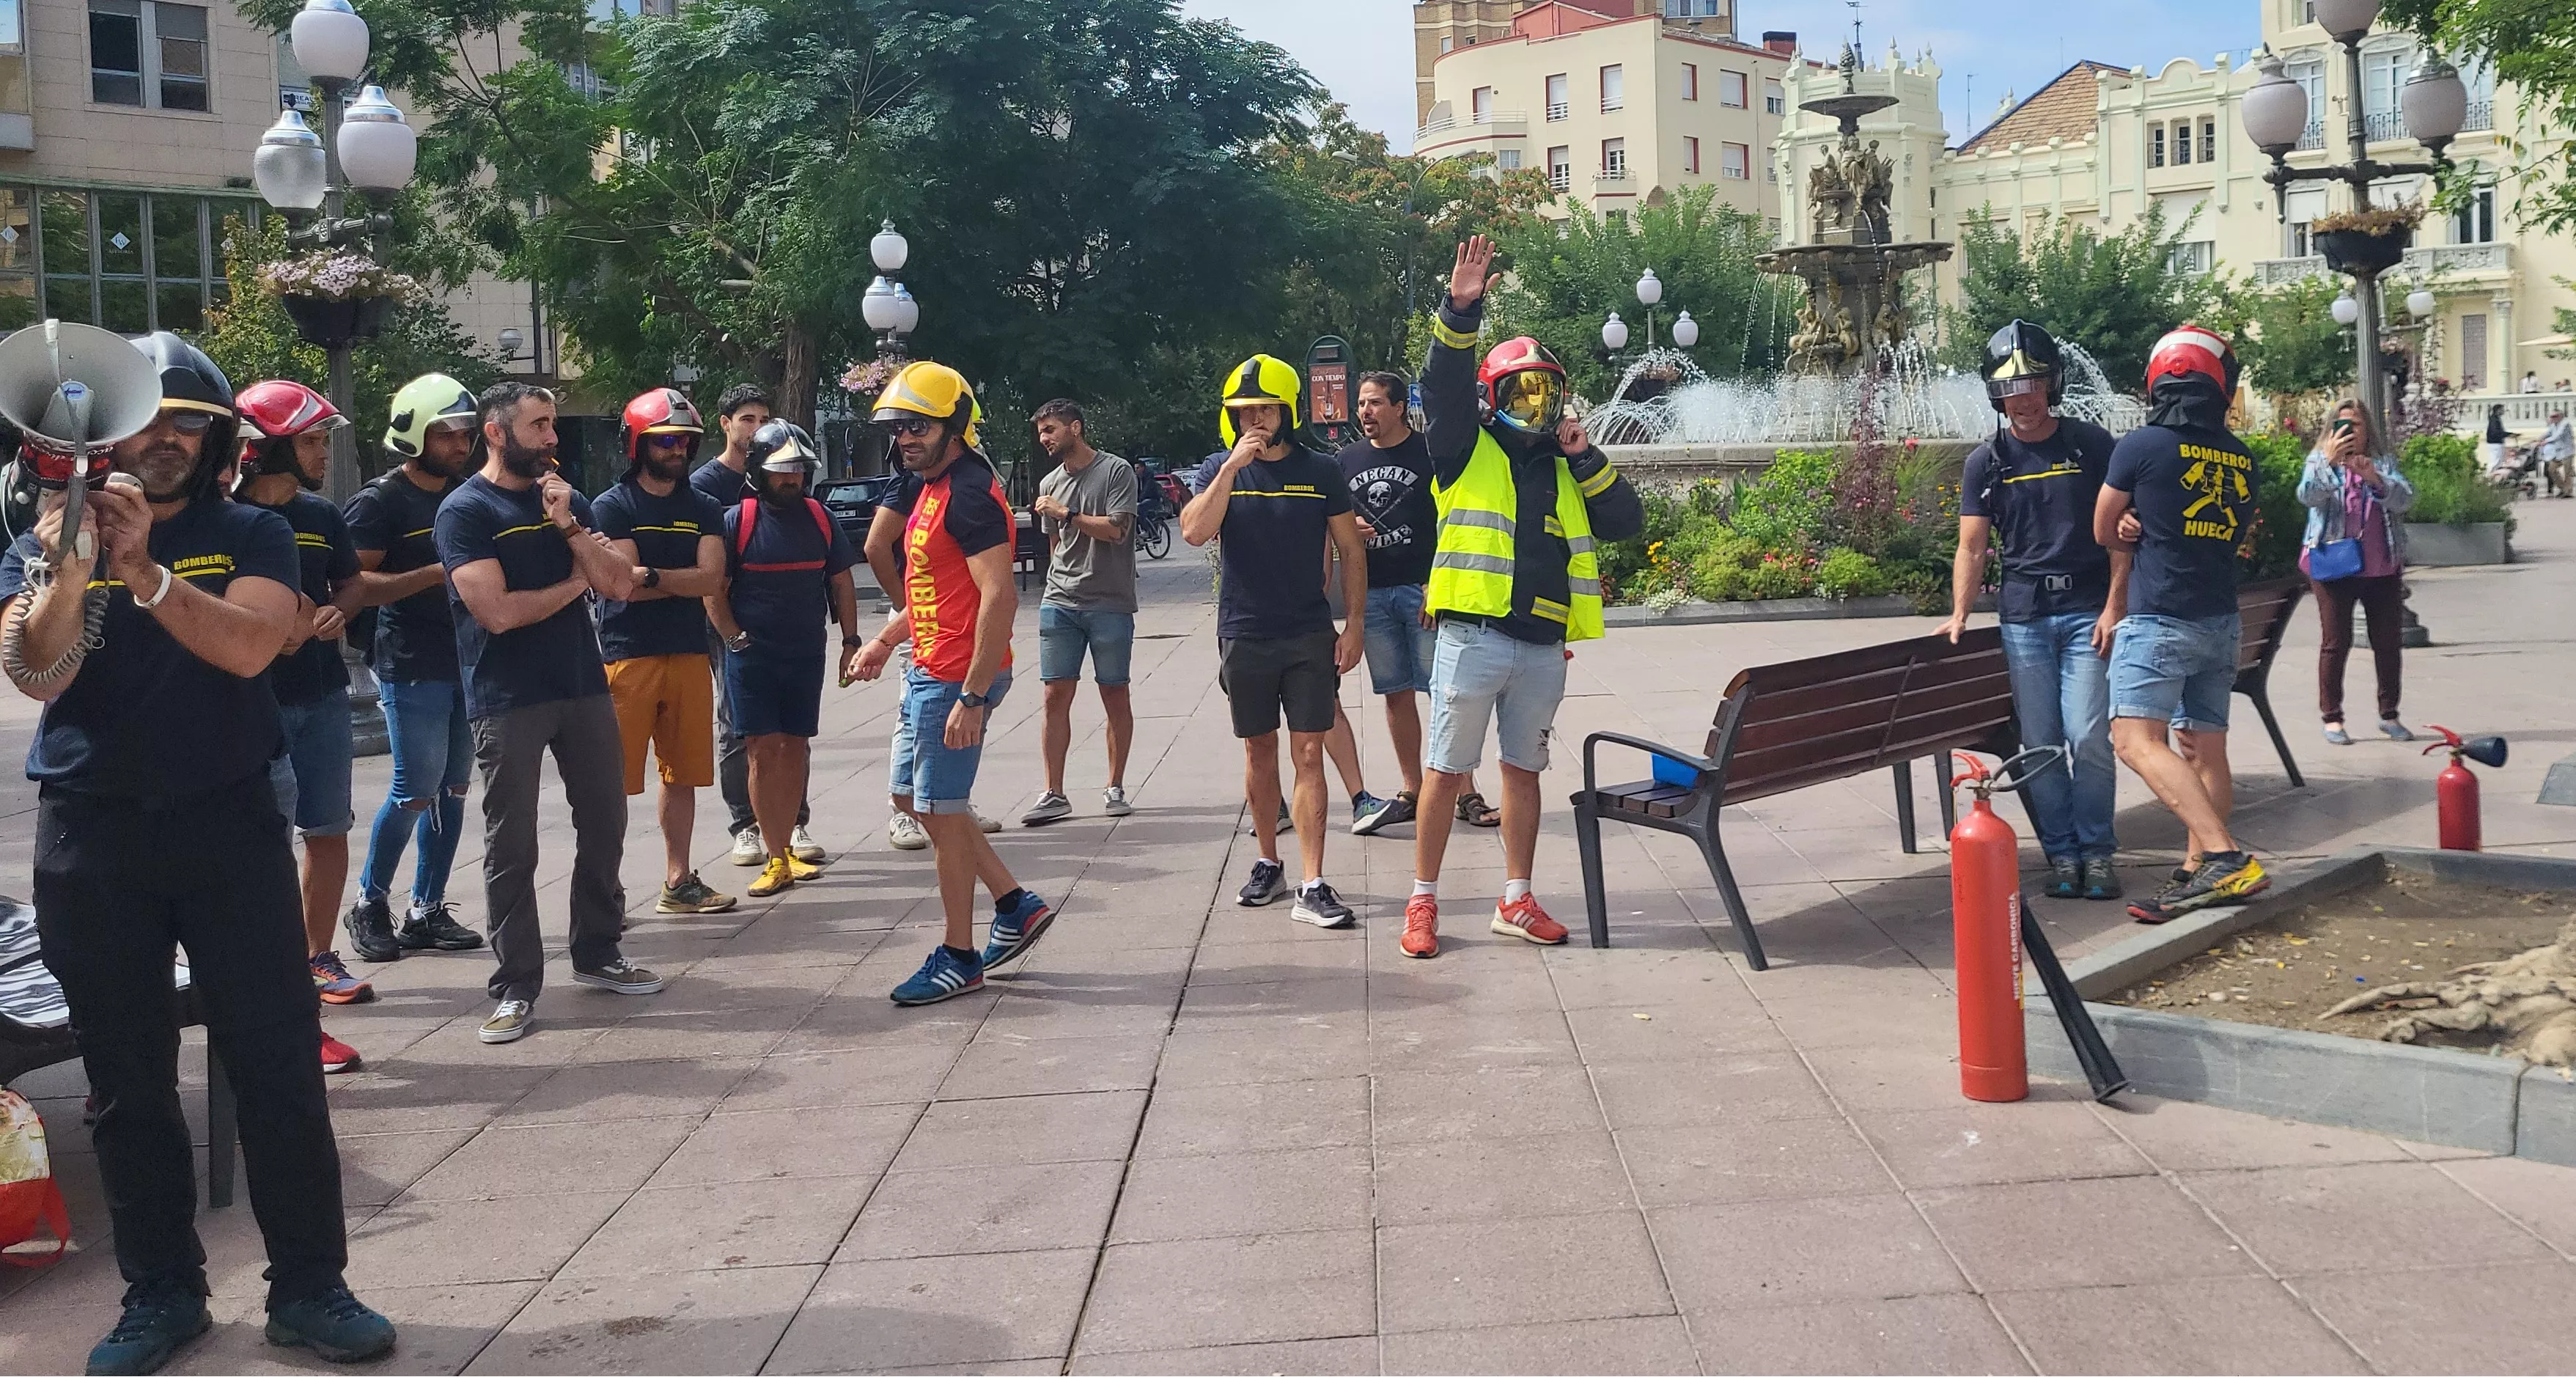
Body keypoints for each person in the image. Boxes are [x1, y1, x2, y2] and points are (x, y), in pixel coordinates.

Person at [0, 334, 396, 1373]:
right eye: (148, 419)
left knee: (275, 1069)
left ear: (220, 441)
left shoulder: (256, 531)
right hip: (93, 835)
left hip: (227, 828)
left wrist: (147, 573)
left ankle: (310, 1286)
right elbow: (34, 676)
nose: (166, 438)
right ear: (105, 434)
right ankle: (162, 1292)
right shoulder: (43, 536)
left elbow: (253, 644)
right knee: (127, 1083)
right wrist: (78, 565)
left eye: (191, 423)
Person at [1403, 237, 1646, 959]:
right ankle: (1422, 901)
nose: (1536, 405)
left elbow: (1626, 522)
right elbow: (1441, 384)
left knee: (1525, 770)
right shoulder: (1461, 446)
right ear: (1494, 398)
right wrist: (1461, 308)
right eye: (1521, 392)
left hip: (1542, 646)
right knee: (1446, 772)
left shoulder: (1565, 464)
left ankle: (1516, 897)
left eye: (1545, 392)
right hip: (1472, 637)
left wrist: (1585, 453)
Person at [438, 383, 661, 1043]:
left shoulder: (566, 500)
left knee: (606, 821)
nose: (553, 437)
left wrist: (567, 526)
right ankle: (514, 988)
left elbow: (620, 583)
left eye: (554, 425)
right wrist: (575, 583)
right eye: (539, 425)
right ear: (497, 432)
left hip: (582, 686)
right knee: (513, 845)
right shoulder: (465, 511)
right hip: (506, 698)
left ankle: (597, 952)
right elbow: (498, 613)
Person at [855, 361, 1056, 1003]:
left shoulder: (968, 492)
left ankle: (959, 953)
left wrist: (971, 695)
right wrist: (887, 641)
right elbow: (938, 589)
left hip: (954, 678)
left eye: (919, 426)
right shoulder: (930, 486)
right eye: (899, 428)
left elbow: (998, 598)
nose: (905, 438)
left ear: (955, 427)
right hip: (931, 669)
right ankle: (1014, 903)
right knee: (916, 801)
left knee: (940, 807)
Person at [1940, 321, 2125, 902]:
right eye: (2011, 389)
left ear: (2053, 386)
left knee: (2089, 736)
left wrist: (2116, 605)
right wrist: (1960, 612)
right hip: (2024, 616)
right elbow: (1972, 545)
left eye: (2034, 384)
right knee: (2041, 742)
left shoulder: (2090, 446)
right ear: (1996, 397)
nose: (2023, 398)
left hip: (2086, 611)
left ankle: (2097, 852)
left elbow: (2124, 535)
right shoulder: (1987, 461)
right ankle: (2062, 853)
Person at [1180, 354, 1366, 929]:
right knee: (1258, 750)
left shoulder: (1322, 469)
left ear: (1288, 410)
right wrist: (1231, 469)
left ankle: (1312, 882)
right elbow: (1192, 531)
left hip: (1307, 631)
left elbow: (1350, 550)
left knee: (1308, 751)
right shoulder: (1220, 467)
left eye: (1264, 408)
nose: (1253, 420)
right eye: (1242, 412)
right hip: (1244, 630)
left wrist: (1354, 623)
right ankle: (1268, 861)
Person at [2093, 326, 2270, 923]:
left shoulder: (2141, 446)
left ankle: (2222, 856)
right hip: (2220, 619)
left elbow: (2101, 528)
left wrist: (2126, 526)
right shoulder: (2242, 456)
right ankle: (2198, 873)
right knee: (2205, 749)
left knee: (2133, 740)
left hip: (2161, 616)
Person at [233, 381, 372, 1076]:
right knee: (260, 848)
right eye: (313, 440)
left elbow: (349, 583)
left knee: (328, 829)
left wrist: (335, 613)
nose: (323, 451)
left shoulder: (322, 514)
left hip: (320, 698)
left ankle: (315, 960)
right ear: (271, 447)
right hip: (250, 706)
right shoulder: (219, 517)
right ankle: (274, 984)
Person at [339, 374, 485, 963]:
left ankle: (426, 909)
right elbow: (352, 584)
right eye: (448, 432)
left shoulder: (466, 492)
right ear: (415, 433)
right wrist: (431, 574)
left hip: (464, 660)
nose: (461, 444)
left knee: (452, 791)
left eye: (467, 433)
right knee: (413, 791)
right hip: (409, 664)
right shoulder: (381, 501)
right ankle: (369, 902)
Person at [593, 387, 735, 914]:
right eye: (666, 440)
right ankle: (605, 889)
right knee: (613, 783)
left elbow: (712, 578)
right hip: (627, 655)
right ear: (638, 444)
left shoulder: (705, 506)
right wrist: (670, 578)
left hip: (688, 652)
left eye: (686, 441)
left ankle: (679, 880)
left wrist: (653, 575)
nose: (678, 450)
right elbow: (622, 584)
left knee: (683, 774)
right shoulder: (612, 505)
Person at [1336, 369, 1492, 837]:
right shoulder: (1345, 461)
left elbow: (1451, 522)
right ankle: (1414, 788)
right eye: (1362, 404)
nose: (1366, 412)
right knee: (1395, 693)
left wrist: (1437, 584)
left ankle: (1466, 792)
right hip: (1373, 593)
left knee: (1444, 692)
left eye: (1376, 403)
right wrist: (1348, 534)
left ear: (1401, 407)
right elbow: (1333, 525)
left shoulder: (1428, 453)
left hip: (1422, 590)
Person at [711, 420, 861, 897]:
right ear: (759, 471)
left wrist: (852, 642)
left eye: (798, 468)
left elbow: (841, 581)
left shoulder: (820, 518)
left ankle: (789, 848)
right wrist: (734, 640)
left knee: (795, 747)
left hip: (805, 654)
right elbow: (714, 591)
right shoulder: (737, 521)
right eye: (782, 470)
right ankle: (775, 857)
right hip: (753, 658)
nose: (792, 478)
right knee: (761, 751)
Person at [693, 383, 827, 868]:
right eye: (746, 419)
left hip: (790, 633)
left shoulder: (789, 477)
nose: (756, 429)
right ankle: (746, 824)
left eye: (763, 419)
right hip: (729, 624)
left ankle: (794, 821)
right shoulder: (706, 486)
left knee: (794, 734)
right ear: (725, 424)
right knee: (739, 728)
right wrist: (729, 628)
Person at [1022, 398, 1138, 826]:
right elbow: (1057, 549)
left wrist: (1067, 513)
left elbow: (1117, 530)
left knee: (1114, 693)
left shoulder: (1115, 471)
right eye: (1041, 432)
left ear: (1075, 427)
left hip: (1109, 602)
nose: (1045, 439)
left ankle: (1115, 785)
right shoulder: (1049, 482)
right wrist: (1058, 576)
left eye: (1050, 429)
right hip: (1060, 602)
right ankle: (1054, 792)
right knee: (1054, 696)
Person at [2299, 400, 2417, 745]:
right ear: (2332, 428)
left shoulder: (2382, 462)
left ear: (2368, 430)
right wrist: (2329, 464)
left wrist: (2376, 480)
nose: (2349, 431)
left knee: (2388, 643)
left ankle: (2389, 714)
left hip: (2381, 565)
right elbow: (2306, 497)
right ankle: (2332, 717)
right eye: (2342, 424)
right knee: (2336, 642)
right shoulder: (2320, 460)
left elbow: (2406, 499)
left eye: (2356, 425)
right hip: (2332, 566)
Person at [2536, 408, 2573, 499]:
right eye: (2551, 416)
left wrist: (2546, 441)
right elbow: (2548, 433)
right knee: (2551, 470)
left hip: (2567, 452)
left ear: (2561, 417)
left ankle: (2567, 492)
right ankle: (2563, 488)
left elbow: (2558, 436)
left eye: (2555, 416)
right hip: (2558, 453)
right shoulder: (2553, 425)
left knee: (2567, 472)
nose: (2552, 418)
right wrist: (2539, 439)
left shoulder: (2565, 424)